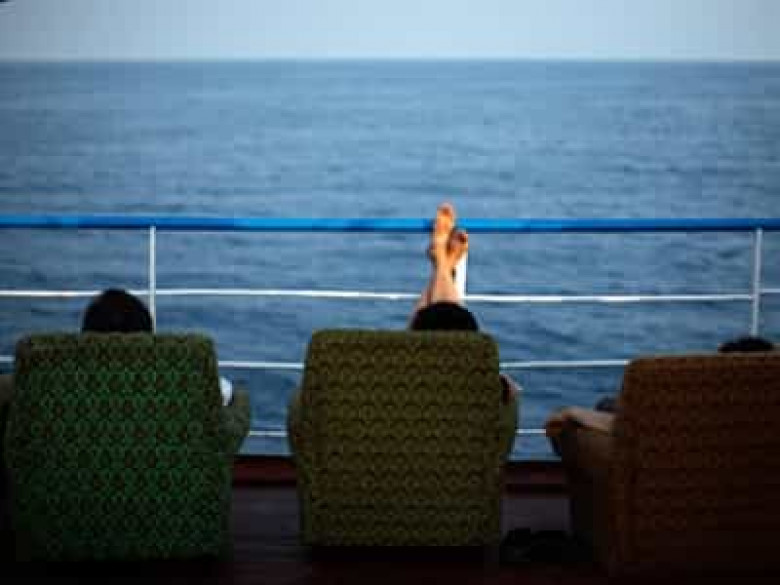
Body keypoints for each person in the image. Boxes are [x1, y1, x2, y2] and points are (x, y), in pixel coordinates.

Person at [409, 202, 520, 405]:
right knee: (450, 321)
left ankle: (441, 261)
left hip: (415, 403)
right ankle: (443, 262)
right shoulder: (475, 398)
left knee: (424, 335)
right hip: (461, 412)